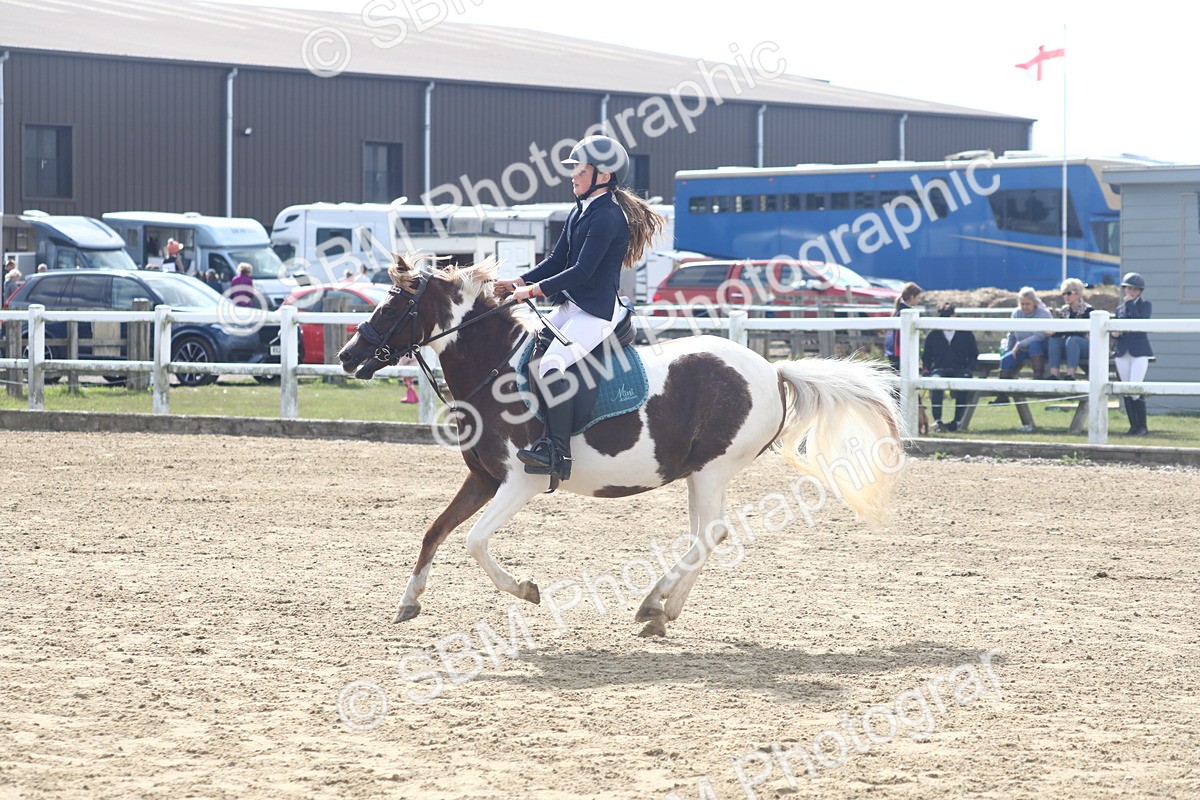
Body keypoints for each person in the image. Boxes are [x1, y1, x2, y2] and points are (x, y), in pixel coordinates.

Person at [493, 134, 665, 482]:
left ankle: (558, 452)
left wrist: (534, 291)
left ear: (603, 176)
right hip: (573, 305)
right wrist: (518, 281)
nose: (573, 175)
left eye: (581, 170)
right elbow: (558, 260)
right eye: (573, 169)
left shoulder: (608, 217)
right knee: (525, 353)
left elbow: (582, 271)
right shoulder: (581, 210)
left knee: (553, 366)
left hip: (597, 312)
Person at [992, 286, 1052, 410]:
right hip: (1021, 348)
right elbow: (1012, 334)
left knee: (1034, 346)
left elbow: (1040, 335)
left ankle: (1037, 382)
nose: (1024, 307)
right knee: (1006, 359)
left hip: (1039, 348)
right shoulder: (1016, 313)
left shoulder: (1043, 314)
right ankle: (1002, 395)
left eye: (1027, 304)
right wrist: (1009, 350)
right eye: (1022, 304)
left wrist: (1020, 344)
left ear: (1034, 302)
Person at [921, 302, 978, 432]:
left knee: (964, 382)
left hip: (961, 369)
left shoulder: (965, 333)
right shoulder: (933, 335)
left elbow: (973, 354)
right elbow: (927, 356)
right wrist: (926, 370)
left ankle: (958, 420)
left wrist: (969, 369)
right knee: (935, 383)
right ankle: (937, 420)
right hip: (939, 369)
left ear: (954, 315)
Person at [1112, 272, 1152, 436]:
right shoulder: (1119, 308)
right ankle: (1133, 426)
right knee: (1126, 390)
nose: (1132, 292)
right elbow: (1117, 326)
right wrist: (1114, 333)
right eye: (1129, 288)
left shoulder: (1145, 305)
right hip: (1123, 351)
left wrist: (1130, 305)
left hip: (1139, 351)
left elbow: (1138, 322)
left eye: (1135, 290)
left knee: (1135, 387)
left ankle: (1142, 426)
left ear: (1140, 291)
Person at [1047, 278, 1093, 380]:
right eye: (1064, 294)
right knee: (1054, 340)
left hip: (1086, 345)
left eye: (1068, 293)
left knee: (1073, 340)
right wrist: (1052, 333)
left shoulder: (1088, 310)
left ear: (1077, 293)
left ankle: (1070, 375)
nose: (1065, 296)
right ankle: (1054, 374)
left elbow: (1082, 333)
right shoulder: (1064, 310)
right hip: (1069, 345)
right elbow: (1061, 332)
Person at [883, 282, 922, 372]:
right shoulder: (907, 312)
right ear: (912, 297)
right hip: (899, 350)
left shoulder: (897, 310)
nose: (919, 300)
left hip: (892, 349)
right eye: (918, 297)